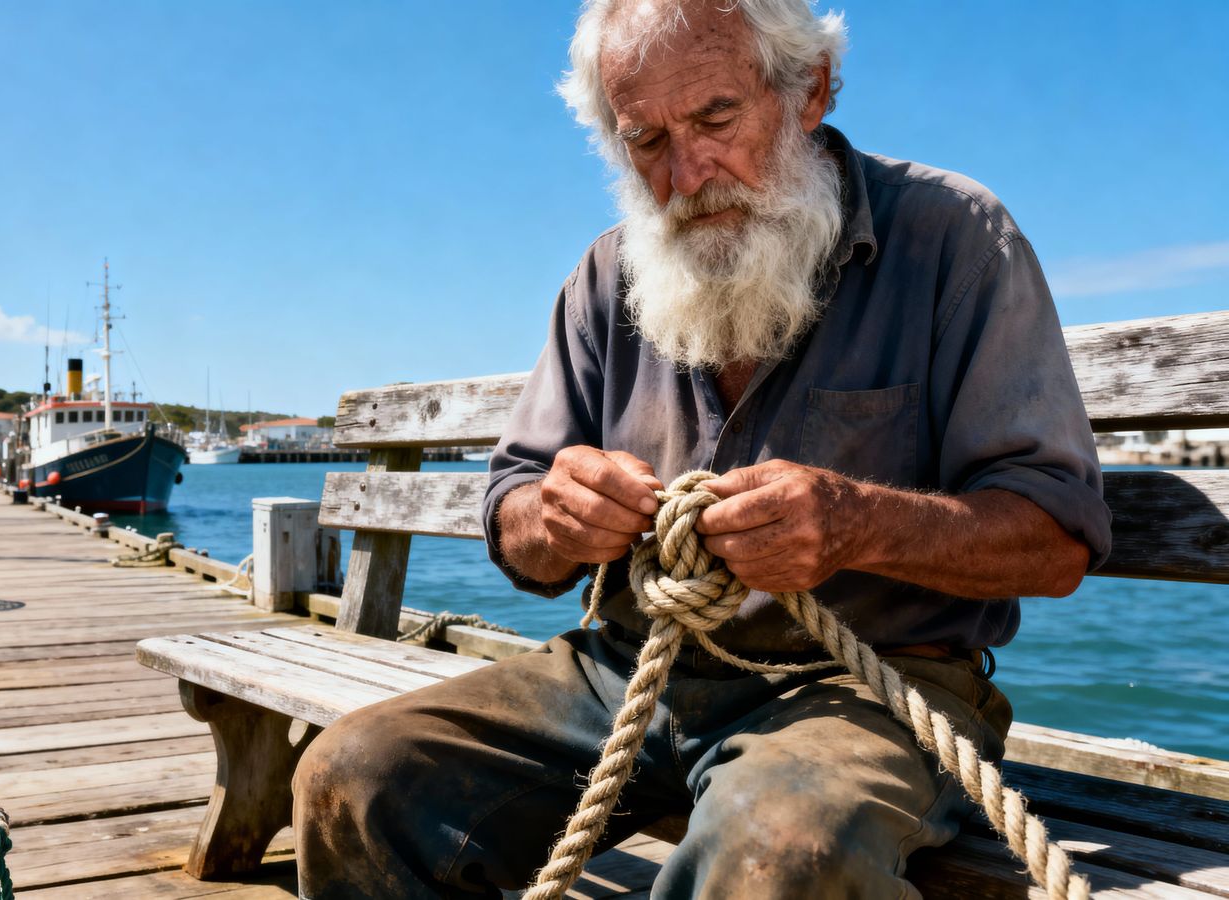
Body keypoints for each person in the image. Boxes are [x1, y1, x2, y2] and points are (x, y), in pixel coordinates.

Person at [292, 1, 1112, 897]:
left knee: (774, 854)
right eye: (646, 140)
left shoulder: (955, 240)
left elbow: (1056, 538)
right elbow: (516, 519)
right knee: (354, 775)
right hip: (627, 671)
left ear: (811, 91)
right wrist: (556, 516)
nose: (686, 176)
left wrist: (855, 523)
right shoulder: (607, 275)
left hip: (870, 690)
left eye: (716, 119)